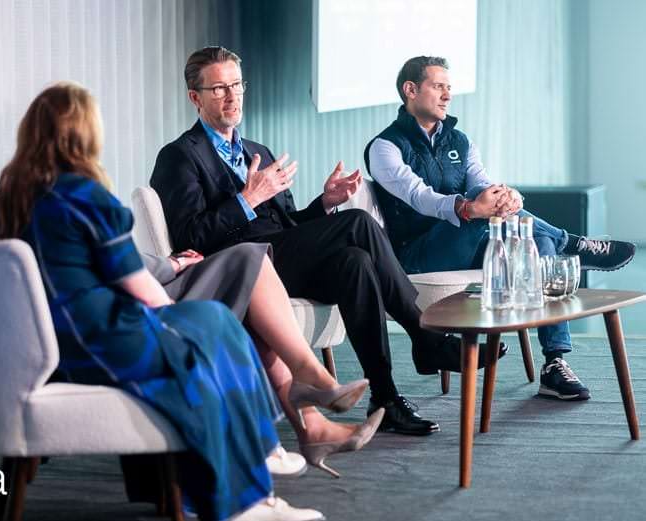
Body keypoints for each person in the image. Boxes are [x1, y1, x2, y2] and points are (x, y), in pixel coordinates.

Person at [0, 81, 325, 521]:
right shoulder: (85, 196)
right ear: (85, 135)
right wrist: (176, 316)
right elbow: (142, 289)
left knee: (211, 321)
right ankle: (256, 468)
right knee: (211, 321)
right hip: (104, 340)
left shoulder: (3, 206)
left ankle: (255, 469)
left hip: (49, 350)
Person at [150, 46, 506, 437]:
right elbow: (188, 237)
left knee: (355, 261)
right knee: (357, 222)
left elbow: (289, 224)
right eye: (218, 88)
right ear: (195, 97)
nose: (232, 96)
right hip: (243, 270)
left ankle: (385, 399)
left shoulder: (257, 151)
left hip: (282, 259)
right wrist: (248, 199)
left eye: (236, 85)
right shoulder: (179, 156)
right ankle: (426, 336)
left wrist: (325, 203)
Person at [364, 56, 636, 401]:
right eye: (438, 86)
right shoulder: (385, 147)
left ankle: (554, 363)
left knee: (538, 242)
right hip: (416, 255)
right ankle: (575, 244)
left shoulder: (460, 141)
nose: (447, 95)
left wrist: (506, 198)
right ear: (410, 90)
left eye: (449, 87)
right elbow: (420, 197)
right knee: (488, 220)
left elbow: (482, 183)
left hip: (469, 240)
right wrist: (468, 209)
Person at [139, 246, 382, 477]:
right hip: (139, 296)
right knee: (248, 258)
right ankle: (311, 397)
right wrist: (173, 263)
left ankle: (315, 422)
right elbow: (110, 260)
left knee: (251, 281)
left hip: (146, 281)